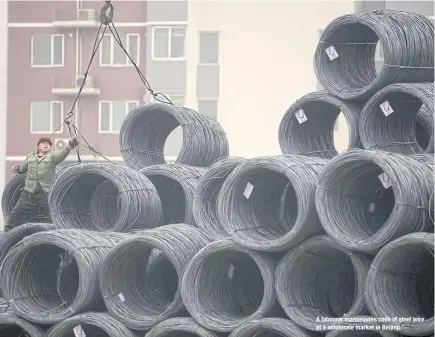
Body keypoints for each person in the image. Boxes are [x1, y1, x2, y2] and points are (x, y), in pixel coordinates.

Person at [4, 137, 79, 232]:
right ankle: (8, 231)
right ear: (38, 146)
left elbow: (62, 154)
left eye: (48, 144)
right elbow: (22, 169)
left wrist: (69, 146)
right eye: (43, 143)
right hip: (29, 192)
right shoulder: (31, 157)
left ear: (50, 148)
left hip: (45, 192)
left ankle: (53, 233)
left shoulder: (53, 157)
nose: (46, 144)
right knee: (17, 211)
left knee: (50, 214)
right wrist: (17, 169)